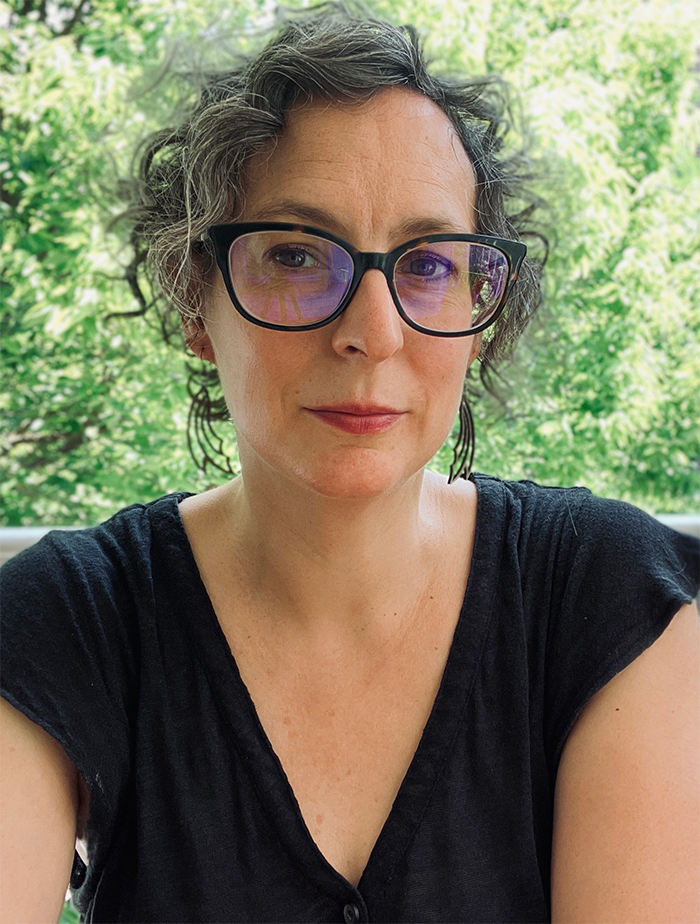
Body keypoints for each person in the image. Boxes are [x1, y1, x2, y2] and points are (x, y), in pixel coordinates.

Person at [1, 10, 698, 924]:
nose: (371, 333)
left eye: (430, 265)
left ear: (485, 310)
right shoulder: (72, 622)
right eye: (296, 255)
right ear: (190, 295)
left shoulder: (611, 605)